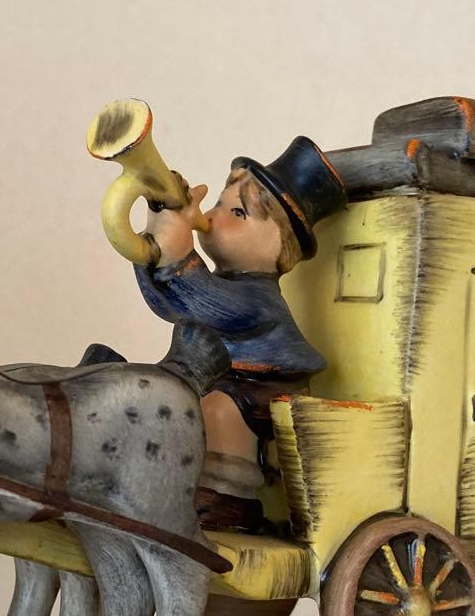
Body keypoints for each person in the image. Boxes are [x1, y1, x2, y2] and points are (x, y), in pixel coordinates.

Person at [138, 136, 348, 531]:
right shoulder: (220, 284)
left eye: (238, 212)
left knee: (215, 410)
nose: (215, 216)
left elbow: (203, 301)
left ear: (280, 246)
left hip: (259, 386)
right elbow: (169, 305)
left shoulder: (257, 298)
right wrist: (151, 245)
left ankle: (228, 499)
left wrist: (178, 255)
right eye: (219, 203)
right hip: (214, 374)